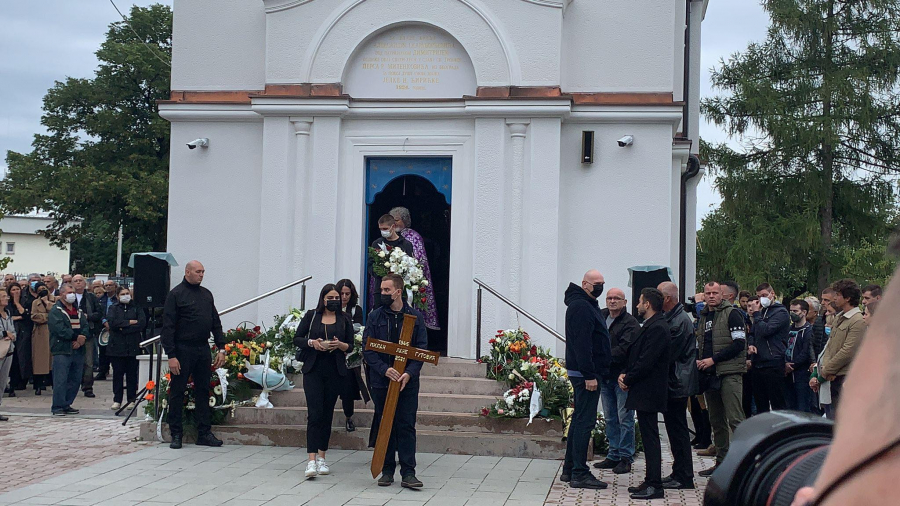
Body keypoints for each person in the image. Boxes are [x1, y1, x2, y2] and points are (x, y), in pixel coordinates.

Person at [363, 273, 427, 489]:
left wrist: (409, 373)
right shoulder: (375, 317)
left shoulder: (415, 317)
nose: (382, 294)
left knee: (406, 425)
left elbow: (421, 350)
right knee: (385, 424)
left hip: (407, 382)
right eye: (381, 290)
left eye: (386, 290)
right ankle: (387, 471)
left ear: (398, 292)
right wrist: (385, 370)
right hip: (382, 381)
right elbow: (368, 349)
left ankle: (409, 473)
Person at [160, 260, 226, 449]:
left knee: (203, 390)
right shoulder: (175, 294)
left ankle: (204, 433)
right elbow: (168, 328)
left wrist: (221, 348)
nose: (201, 275)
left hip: (202, 348)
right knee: (178, 391)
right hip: (182, 349)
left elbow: (216, 322)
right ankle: (176, 434)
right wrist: (171, 355)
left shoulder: (206, 294)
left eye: (203, 272)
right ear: (187, 272)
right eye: (198, 271)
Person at [293, 284, 354, 477]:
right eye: (331, 297)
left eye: (337, 297)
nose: (335, 300)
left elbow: (351, 346)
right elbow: (297, 338)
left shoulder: (344, 318)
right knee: (315, 414)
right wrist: (313, 343)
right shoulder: (312, 316)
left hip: (335, 371)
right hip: (313, 370)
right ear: (323, 298)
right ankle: (310, 460)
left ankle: (322, 457)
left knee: (327, 415)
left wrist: (340, 345)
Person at [560, 269, 610, 490]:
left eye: (602, 283)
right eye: (596, 283)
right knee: (584, 422)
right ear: (584, 284)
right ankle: (579, 472)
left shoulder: (586, 304)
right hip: (585, 375)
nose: (600, 286)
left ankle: (570, 468)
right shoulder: (581, 307)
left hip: (584, 372)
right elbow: (583, 344)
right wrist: (589, 375)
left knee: (579, 420)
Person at [619, 288, 670, 500]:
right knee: (648, 436)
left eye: (640, 302)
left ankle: (655, 485)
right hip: (644, 389)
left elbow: (647, 361)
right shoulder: (651, 325)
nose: (638, 305)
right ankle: (650, 480)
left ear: (647, 304)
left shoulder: (658, 327)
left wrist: (628, 378)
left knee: (650, 438)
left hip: (649, 389)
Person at [696, 281, 747, 477]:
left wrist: (713, 359)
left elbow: (739, 343)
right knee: (716, 420)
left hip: (729, 372)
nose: (711, 296)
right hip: (709, 374)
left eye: (715, 293)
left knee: (735, 419)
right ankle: (721, 463)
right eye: (707, 293)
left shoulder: (733, 314)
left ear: (723, 295)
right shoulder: (704, 316)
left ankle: (743, 464)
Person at [657, 281, 698, 490]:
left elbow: (669, 352)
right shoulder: (672, 318)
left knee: (679, 430)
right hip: (673, 381)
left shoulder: (680, 321)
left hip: (677, 382)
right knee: (674, 430)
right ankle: (678, 471)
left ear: (666, 299)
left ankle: (684, 476)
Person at [594, 287, 638, 474]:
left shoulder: (630, 323)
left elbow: (625, 349)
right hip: (604, 376)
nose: (612, 301)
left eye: (617, 298)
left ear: (625, 302)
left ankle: (626, 457)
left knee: (625, 418)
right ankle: (613, 454)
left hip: (621, 377)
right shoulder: (601, 316)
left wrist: (600, 357)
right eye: (609, 298)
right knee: (610, 417)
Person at [818, 278, 865, 419]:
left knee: (842, 421)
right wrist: (825, 369)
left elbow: (847, 351)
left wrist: (825, 371)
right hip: (831, 377)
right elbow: (830, 345)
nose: (834, 298)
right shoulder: (839, 317)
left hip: (844, 378)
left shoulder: (857, 320)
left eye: (838, 294)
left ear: (848, 297)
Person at [390, 207, 439, 330]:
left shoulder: (414, 236)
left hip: (410, 281)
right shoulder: (388, 236)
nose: (394, 223)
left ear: (405, 220)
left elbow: (420, 259)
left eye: (397, 220)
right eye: (392, 220)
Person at [747, 283, 789, 412]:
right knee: (761, 403)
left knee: (777, 402)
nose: (761, 299)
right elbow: (753, 332)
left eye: (764, 295)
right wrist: (751, 343)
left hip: (773, 361)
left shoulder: (780, 312)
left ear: (772, 294)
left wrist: (756, 314)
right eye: (759, 297)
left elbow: (767, 330)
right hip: (758, 361)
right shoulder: (761, 312)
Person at [335, 278, 369, 432]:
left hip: (349, 354)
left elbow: (359, 329)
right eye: (341, 293)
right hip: (333, 353)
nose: (344, 297)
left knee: (348, 389)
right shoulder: (331, 308)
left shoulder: (356, 309)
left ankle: (349, 417)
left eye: (347, 294)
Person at [48, 284, 88, 416]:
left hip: (78, 349)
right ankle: (58, 406)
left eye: (73, 292)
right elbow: (59, 329)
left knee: (75, 379)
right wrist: (75, 337)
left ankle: (67, 403)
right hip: (62, 349)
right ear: (62, 294)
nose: (72, 294)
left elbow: (85, 326)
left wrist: (81, 338)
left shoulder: (79, 311)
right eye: (69, 292)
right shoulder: (56, 310)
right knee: (61, 379)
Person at [106, 286, 145, 410]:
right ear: (117, 296)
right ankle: (117, 399)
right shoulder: (113, 308)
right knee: (117, 374)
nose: (125, 296)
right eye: (122, 294)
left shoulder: (137, 308)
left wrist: (123, 327)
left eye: (127, 293)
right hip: (116, 347)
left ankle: (131, 399)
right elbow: (113, 323)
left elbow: (141, 323)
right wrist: (129, 323)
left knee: (132, 375)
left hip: (133, 346)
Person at [368, 214, 414, 310]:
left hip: (401, 290)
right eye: (381, 229)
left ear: (393, 226)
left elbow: (410, 266)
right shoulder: (377, 244)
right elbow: (370, 265)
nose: (383, 231)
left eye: (385, 228)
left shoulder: (406, 245)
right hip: (381, 290)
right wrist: (383, 272)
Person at [71, 275, 102, 398]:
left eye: (80, 281)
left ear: (85, 283)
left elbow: (99, 313)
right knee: (71, 361)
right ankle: (72, 385)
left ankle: (87, 387)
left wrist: (87, 316)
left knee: (88, 362)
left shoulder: (91, 297)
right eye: (75, 281)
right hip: (72, 333)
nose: (78, 283)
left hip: (88, 332)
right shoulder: (68, 297)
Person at [783, 299, 814, 413]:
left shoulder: (808, 330)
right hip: (787, 375)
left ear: (804, 312)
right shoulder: (788, 329)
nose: (792, 314)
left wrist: (793, 365)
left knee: (802, 408)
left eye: (795, 311)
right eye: (791, 311)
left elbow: (806, 352)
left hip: (801, 375)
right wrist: (784, 363)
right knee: (789, 407)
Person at [30, 282, 55, 395]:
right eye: (39, 289)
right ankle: (38, 385)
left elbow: (57, 314)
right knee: (39, 360)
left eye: (44, 288)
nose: (42, 291)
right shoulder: (35, 302)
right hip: (40, 334)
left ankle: (54, 383)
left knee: (53, 360)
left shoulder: (56, 300)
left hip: (53, 332)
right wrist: (48, 317)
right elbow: (34, 316)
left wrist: (47, 302)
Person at [7, 282, 33, 392]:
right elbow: (8, 317)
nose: (16, 292)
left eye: (17, 289)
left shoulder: (26, 301)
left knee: (23, 356)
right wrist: (19, 317)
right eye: (13, 290)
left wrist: (17, 303)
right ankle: (13, 382)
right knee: (13, 358)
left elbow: (27, 315)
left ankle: (23, 380)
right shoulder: (6, 303)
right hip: (11, 332)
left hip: (24, 332)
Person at [95, 280, 118, 381]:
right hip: (103, 327)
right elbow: (99, 312)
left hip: (116, 326)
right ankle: (102, 371)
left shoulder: (117, 299)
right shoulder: (101, 299)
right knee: (103, 350)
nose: (108, 287)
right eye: (106, 285)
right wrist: (104, 321)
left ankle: (117, 371)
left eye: (110, 285)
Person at [0, 290, 17, 421]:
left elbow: (13, 331)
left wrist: (11, 335)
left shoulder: (8, 313)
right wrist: (5, 334)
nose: (7, 298)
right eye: (4, 296)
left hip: (8, 350)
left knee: (3, 381)